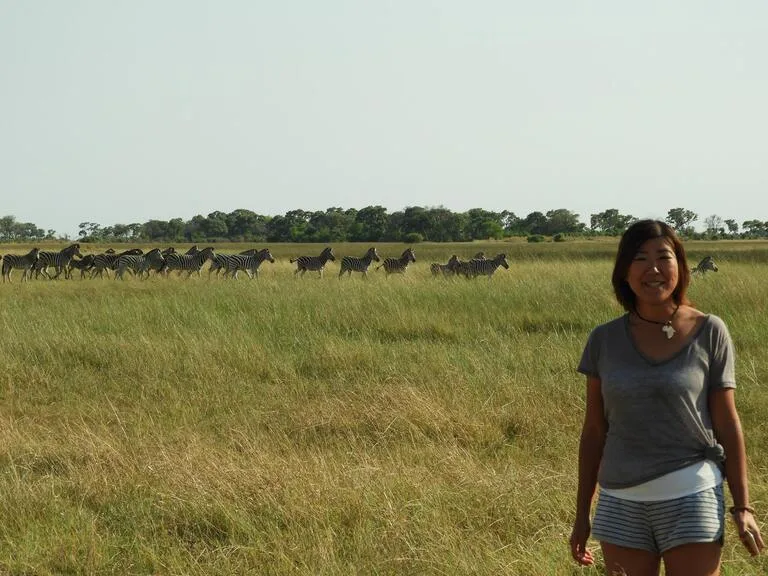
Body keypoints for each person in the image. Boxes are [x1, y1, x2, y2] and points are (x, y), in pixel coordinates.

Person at [569, 220, 764, 575]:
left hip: (692, 497)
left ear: (681, 266)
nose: (653, 269)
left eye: (664, 256)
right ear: (624, 272)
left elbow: (727, 422)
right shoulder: (604, 340)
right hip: (620, 503)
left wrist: (743, 507)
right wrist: (582, 515)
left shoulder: (710, 331)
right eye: (640, 258)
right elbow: (594, 431)